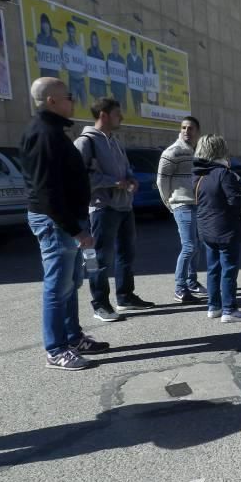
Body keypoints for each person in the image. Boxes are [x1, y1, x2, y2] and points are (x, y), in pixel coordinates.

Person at [18, 78, 109, 370]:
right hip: (56, 222)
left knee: (71, 284)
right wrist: (76, 229)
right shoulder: (43, 134)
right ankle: (56, 350)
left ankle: (72, 337)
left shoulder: (54, 132)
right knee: (57, 287)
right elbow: (47, 193)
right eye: (68, 97)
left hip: (68, 219)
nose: (73, 101)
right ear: (51, 101)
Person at [74, 97, 154, 321]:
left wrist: (131, 179)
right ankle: (100, 304)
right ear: (104, 115)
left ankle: (125, 296)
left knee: (126, 254)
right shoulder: (85, 142)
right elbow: (80, 177)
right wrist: (113, 182)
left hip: (124, 206)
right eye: (118, 113)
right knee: (98, 258)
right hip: (101, 208)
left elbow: (126, 167)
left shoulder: (114, 140)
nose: (122, 117)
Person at [192, 135, 241, 322]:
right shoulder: (223, 174)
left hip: (206, 229)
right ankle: (229, 310)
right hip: (226, 229)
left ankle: (214, 306)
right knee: (229, 270)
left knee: (213, 269)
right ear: (220, 150)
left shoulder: (198, 174)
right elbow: (235, 201)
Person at [157, 117, 207, 303]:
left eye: (191, 128)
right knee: (189, 246)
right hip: (182, 204)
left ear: (197, 131)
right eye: (183, 127)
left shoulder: (197, 152)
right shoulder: (172, 152)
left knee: (197, 245)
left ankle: (192, 282)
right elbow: (161, 181)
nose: (186, 131)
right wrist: (170, 203)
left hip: (197, 205)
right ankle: (180, 288)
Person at [63, 22, 87, 109]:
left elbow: (85, 65)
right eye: (70, 32)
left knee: (85, 104)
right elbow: (63, 64)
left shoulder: (79, 48)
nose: (71, 34)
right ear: (67, 32)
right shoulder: (65, 46)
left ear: (75, 32)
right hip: (72, 80)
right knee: (72, 106)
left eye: (73, 32)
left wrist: (85, 69)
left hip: (81, 81)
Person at [35, 14, 61, 78]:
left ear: (49, 25)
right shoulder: (39, 38)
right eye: (43, 24)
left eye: (46, 24)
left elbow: (58, 57)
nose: (45, 26)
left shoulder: (54, 41)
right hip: (45, 74)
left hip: (54, 74)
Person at [107, 37, 127, 111]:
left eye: (115, 45)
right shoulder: (109, 57)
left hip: (121, 90)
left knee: (120, 110)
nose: (114, 47)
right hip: (113, 89)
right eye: (113, 45)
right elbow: (108, 74)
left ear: (118, 46)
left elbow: (124, 77)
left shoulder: (122, 59)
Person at [126, 36, 144, 116]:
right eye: (131, 46)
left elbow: (142, 73)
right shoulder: (128, 57)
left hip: (139, 86)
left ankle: (140, 115)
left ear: (136, 47)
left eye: (134, 46)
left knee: (140, 102)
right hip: (132, 85)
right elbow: (127, 70)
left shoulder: (139, 59)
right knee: (134, 102)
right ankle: (136, 115)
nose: (133, 48)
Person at [87, 31, 107, 101]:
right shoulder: (89, 51)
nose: (94, 41)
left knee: (102, 102)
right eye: (93, 39)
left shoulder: (101, 53)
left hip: (101, 82)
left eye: (95, 39)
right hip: (94, 82)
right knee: (96, 102)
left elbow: (103, 68)